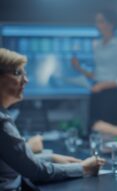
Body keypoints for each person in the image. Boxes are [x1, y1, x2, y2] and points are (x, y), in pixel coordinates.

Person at [0, 48, 106, 191]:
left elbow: (21, 161)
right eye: (17, 73)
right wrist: (83, 168)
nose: (26, 80)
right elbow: (36, 171)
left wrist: (52, 157)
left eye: (25, 73)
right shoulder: (2, 122)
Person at [72, 11, 117, 126]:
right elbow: (98, 74)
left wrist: (103, 85)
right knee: (93, 129)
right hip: (96, 94)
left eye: (100, 21)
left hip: (111, 97)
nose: (97, 25)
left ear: (111, 24)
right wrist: (79, 68)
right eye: (97, 21)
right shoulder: (96, 45)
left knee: (109, 132)